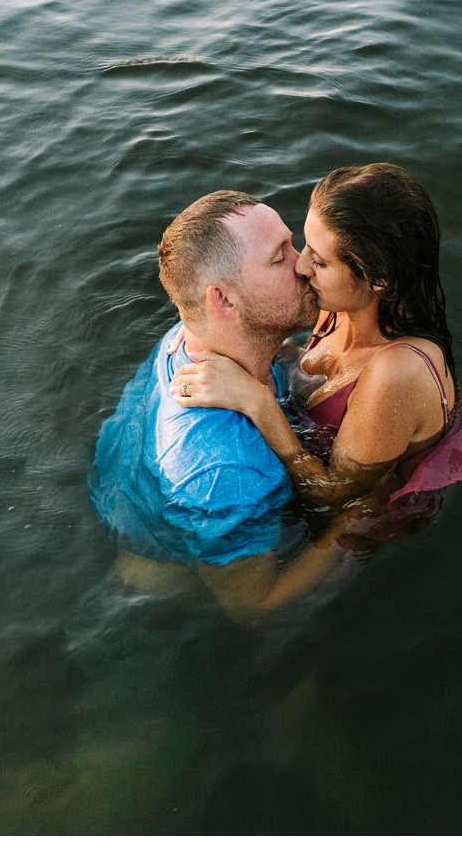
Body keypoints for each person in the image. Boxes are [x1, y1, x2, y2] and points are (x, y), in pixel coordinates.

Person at [173, 163, 462, 522]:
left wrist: (260, 406)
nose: (301, 267)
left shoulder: (394, 373)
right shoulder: (335, 307)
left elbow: (335, 495)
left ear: (378, 280)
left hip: (372, 510)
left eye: (319, 262)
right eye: (305, 247)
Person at [86, 189, 349, 619]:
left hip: (146, 532)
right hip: (159, 618)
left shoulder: (189, 336)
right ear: (223, 299)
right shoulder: (223, 472)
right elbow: (255, 608)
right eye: (280, 257)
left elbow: (285, 361)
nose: (304, 263)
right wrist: (358, 521)